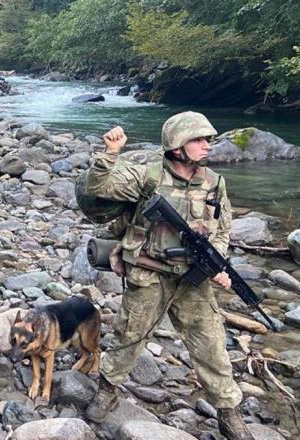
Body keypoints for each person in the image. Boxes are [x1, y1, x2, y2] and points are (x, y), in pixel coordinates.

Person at [84, 112, 252, 440]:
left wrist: (216, 264)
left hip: (193, 278)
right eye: (198, 140)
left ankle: (229, 411)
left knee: (211, 344)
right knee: (129, 335)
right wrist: (111, 154)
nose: (207, 145)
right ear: (177, 146)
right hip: (148, 271)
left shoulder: (214, 182)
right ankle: (107, 389)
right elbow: (98, 187)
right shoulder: (148, 176)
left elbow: (223, 226)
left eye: (208, 139)